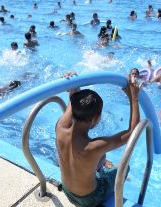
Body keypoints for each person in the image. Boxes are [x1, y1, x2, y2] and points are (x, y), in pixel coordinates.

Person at [55, 70, 140, 207]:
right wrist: (134, 98)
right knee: (124, 167)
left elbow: (74, 101)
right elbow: (132, 132)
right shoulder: (94, 146)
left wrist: (74, 87)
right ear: (96, 118)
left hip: (67, 191)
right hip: (90, 199)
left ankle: (101, 167)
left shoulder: (60, 127)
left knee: (99, 160)